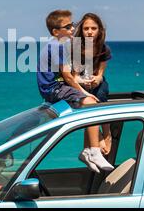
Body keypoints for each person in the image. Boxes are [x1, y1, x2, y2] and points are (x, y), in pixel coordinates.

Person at [37, 9, 114, 172]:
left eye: (72, 25)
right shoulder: (59, 46)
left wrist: (96, 78)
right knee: (91, 102)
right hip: (55, 88)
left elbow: (73, 74)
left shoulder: (59, 45)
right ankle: (93, 150)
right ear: (56, 32)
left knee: (99, 94)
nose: (73, 28)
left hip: (58, 86)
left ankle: (93, 147)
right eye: (68, 26)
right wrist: (84, 92)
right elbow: (69, 76)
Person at [73, 13, 113, 172]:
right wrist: (84, 83)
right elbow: (75, 76)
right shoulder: (77, 47)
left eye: (93, 28)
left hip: (95, 82)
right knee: (91, 102)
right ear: (81, 30)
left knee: (102, 90)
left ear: (100, 30)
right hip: (80, 83)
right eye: (86, 28)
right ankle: (95, 143)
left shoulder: (104, 48)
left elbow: (101, 74)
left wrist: (97, 79)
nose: (89, 31)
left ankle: (106, 134)